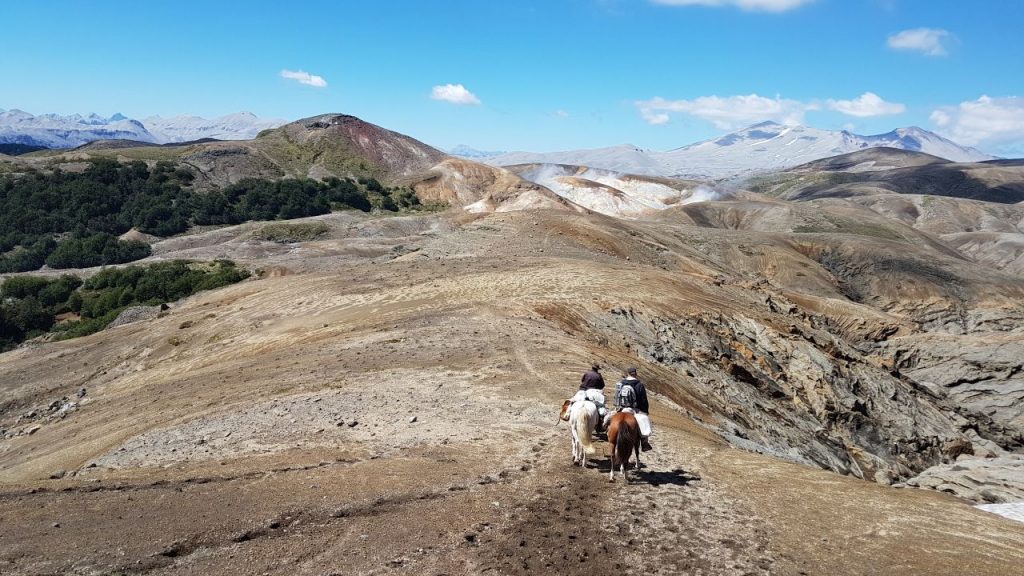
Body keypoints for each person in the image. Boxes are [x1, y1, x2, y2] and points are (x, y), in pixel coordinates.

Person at [615, 367, 653, 451]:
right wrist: (645, 411)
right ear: (635, 374)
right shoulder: (639, 385)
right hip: (635, 409)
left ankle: (606, 430)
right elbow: (643, 400)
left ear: (627, 373)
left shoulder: (621, 383)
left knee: (609, 418)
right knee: (645, 422)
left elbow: (616, 397)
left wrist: (617, 407)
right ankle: (644, 443)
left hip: (622, 408)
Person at [574, 363, 608, 433]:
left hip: (584, 391)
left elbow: (582, 381)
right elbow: (602, 385)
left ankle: (567, 414)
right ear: (597, 369)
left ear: (592, 368)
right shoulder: (599, 376)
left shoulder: (586, 373)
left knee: (574, 401)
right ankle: (600, 423)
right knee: (601, 408)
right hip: (596, 392)